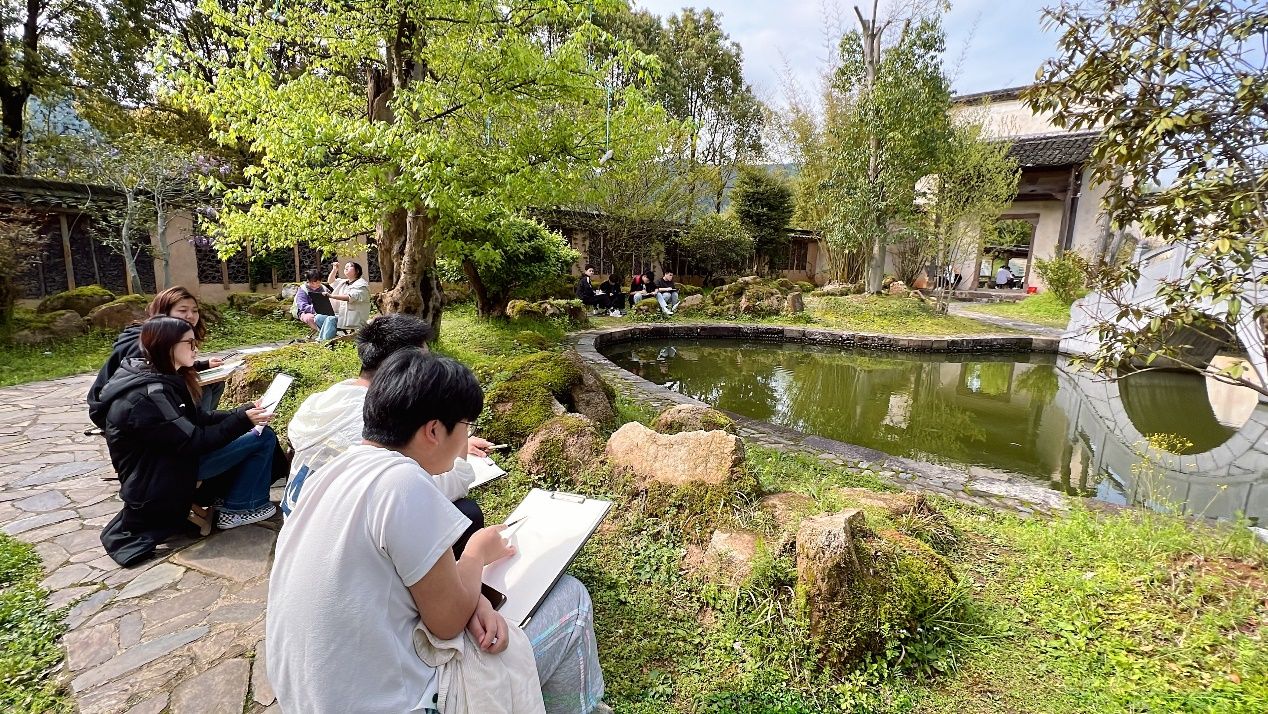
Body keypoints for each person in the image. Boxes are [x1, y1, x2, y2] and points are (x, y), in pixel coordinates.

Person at [267, 350, 606, 714]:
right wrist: (476, 554)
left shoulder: (337, 470)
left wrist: (473, 598)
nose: (467, 439)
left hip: (308, 697)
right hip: (392, 705)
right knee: (571, 598)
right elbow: (447, 624)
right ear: (433, 431)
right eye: (466, 426)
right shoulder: (404, 483)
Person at [284, 314, 492, 555]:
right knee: (466, 513)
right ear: (400, 367)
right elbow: (435, 489)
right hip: (339, 547)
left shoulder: (328, 399)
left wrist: (450, 437)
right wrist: (458, 442)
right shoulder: (375, 423)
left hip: (297, 531)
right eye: (423, 362)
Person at [95, 317, 279, 566]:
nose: (196, 349)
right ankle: (241, 507)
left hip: (165, 463)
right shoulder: (151, 393)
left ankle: (232, 498)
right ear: (167, 344)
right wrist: (242, 421)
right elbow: (195, 441)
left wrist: (241, 412)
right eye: (189, 343)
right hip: (158, 476)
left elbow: (195, 418)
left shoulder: (155, 376)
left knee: (254, 430)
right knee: (262, 436)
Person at [88, 286, 227, 425]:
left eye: (195, 311)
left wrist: (204, 364)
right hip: (113, 409)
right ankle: (194, 428)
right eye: (182, 310)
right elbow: (148, 379)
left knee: (213, 385)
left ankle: (200, 424)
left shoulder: (169, 335)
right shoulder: (145, 341)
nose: (191, 316)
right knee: (200, 393)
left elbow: (167, 364)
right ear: (163, 312)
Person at [322, 259, 371, 340]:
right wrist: (335, 269)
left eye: (349, 266)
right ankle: (324, 338)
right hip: (343, 314)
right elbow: (331, 281)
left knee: (331, 319)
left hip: (354, 317)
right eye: (345, 267)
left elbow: (350, 297)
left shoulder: (361, 285)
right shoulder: (344, 282)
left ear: (357, 271)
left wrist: (331, 296)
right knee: (320, 317)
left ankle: (325, 341)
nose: (346, 268)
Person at [291, 269, 331, 336]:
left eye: (318, 282)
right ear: (308, 281)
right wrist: (317, 308)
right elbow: (302, 306)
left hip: (323, 312)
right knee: (310, 318)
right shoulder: (303, 289)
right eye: (312, 283)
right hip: (305, 312)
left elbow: (331, 300)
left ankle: (328, 333)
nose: (315, 285)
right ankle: (325, 334)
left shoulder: (324, 289)